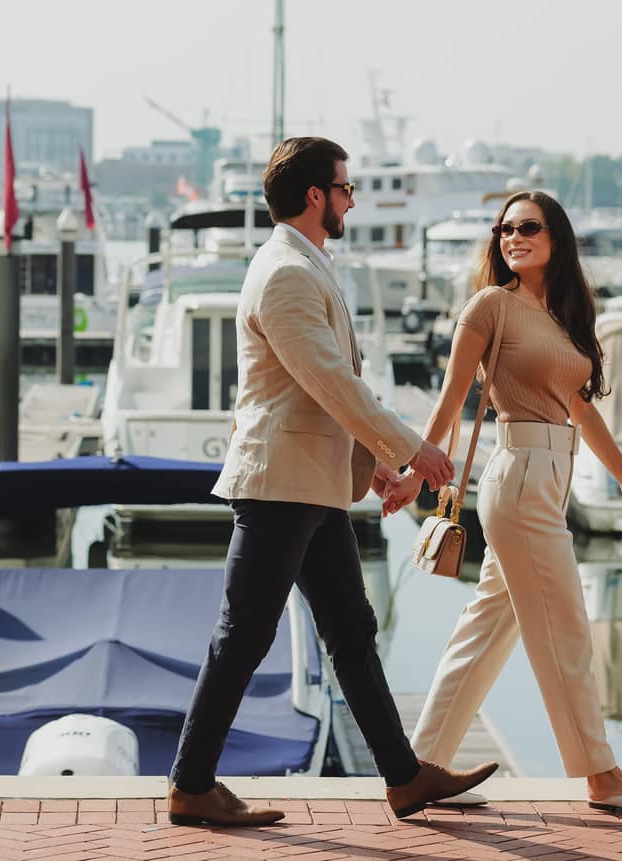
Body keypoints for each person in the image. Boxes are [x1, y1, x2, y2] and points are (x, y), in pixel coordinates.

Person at [166, 136, 499, 827]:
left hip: (310, 485)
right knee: (244, 636)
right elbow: (330, 380)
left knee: (351, 628)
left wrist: (372, 466)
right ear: (316, 195)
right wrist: (412, 448)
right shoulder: (285, 272)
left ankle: (404, 778)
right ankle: (191, 783)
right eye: (345, 189)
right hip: (279, 486)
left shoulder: (303, 264)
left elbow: (311, 393)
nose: (351, 200)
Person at [382, 190, 622, 812]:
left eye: (527, 227)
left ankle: (421, 767)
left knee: (487, 629)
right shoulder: (491, 306)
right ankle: (602, 775)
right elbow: (450, 400)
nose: (512, 237)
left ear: (556, 238)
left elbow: (581, 409)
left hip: (548, 479)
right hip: (517, 479)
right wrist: (414, 470)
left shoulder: (562, 317)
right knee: (566, 629)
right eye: (503, 229)